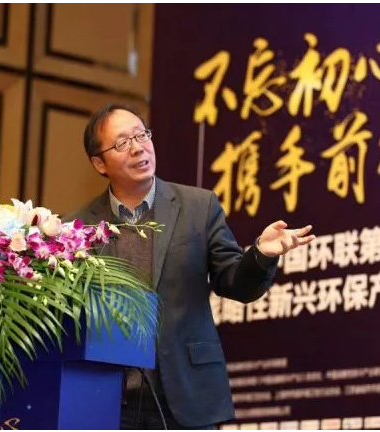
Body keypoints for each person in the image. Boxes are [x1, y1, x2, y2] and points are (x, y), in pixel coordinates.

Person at [66, 104, 314, 429]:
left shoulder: (198, 206)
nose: (138, 147)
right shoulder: (77, 227)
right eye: (123, 142)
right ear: (99, 163)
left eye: (142, 135)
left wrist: (260, 255)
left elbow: (234, 283)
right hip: (110, 400)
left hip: (186, 395)